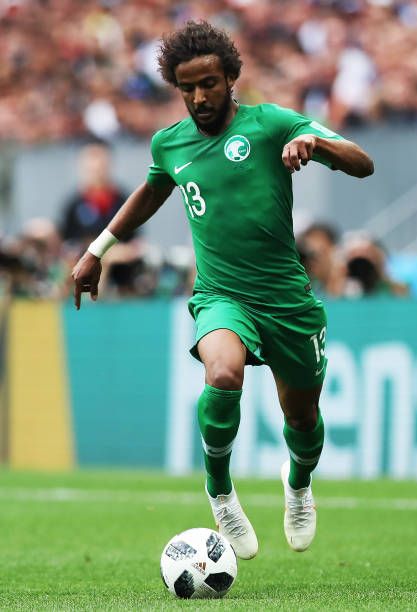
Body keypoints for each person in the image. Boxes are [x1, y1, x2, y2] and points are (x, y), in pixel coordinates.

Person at [72, 21, 374, 560]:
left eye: (209, 83)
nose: (198, 96)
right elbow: (150, 192)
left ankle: (299, 485)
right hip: (220, 296)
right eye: (187, 87)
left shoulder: (271, 124)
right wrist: (98, 249)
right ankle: (220, 491)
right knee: (222, 372)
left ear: (231, 78)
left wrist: (317, 142)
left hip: (287, 299)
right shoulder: (170, 143)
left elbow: (362, 162)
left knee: (302, 418)